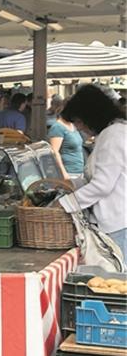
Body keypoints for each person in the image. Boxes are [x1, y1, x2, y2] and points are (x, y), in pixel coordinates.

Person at [58, 83, 127, 255]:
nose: (79, 128)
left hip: (117, 224)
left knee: (115, 279)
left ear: (92, 116)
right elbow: (98, 178)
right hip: (117, 222)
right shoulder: (113, 133)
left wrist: (65, 204)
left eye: (79, 122)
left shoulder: (113, 136)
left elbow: (102, 185)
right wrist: (69, 184)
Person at [45, 96, 85, 181]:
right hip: (68, 173)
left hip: (79, 172)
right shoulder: (58, 127)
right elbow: (54, 152)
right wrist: (63, 173)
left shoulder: (73, 125)